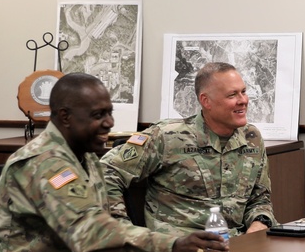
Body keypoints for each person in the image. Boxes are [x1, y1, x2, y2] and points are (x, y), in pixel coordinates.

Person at [0, 73, 227, 252]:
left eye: (109, 113)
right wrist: (171, 246)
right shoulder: (45, 162)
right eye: (98, 115)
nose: (109, 123)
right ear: (65, 117)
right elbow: (90, 233)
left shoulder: (86, 155)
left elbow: (99, 221)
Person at [102, 62, 277, 236]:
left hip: (236, 246)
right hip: (181, 250)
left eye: (243, 92)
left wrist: (259, 223)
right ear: (206, 101)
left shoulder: (251, 138)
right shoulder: (167, 136)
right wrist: (122, 226)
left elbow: (260, 198)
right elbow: (106, 171)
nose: (243, 100)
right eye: (232, 95)